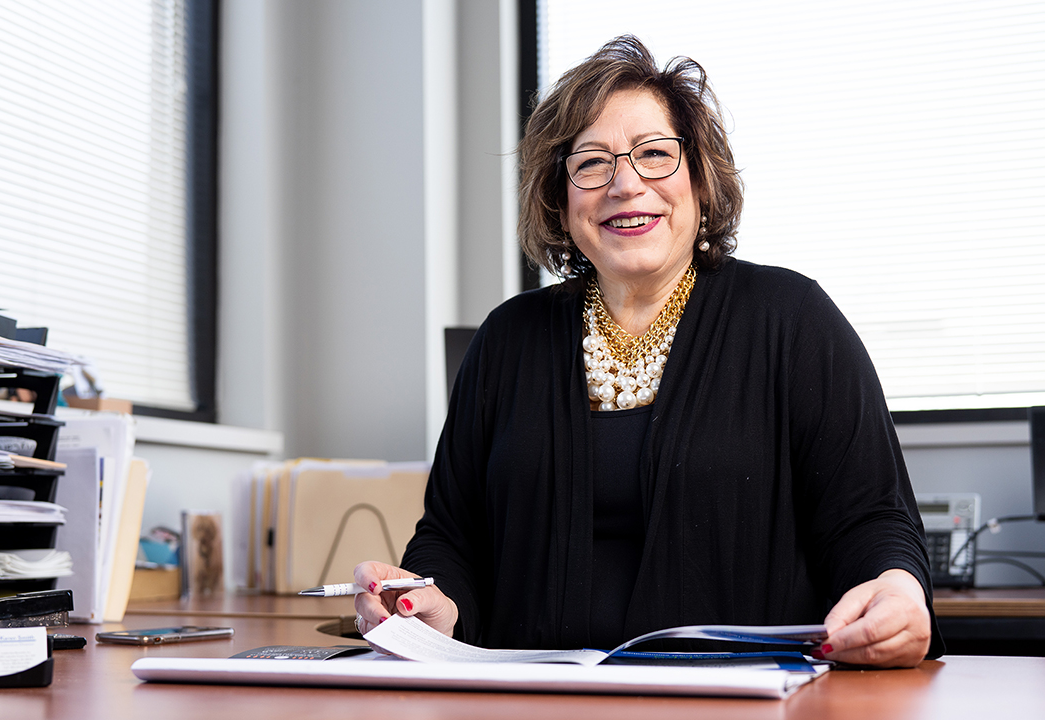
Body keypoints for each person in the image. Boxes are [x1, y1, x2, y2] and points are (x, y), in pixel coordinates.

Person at [355, 35, 941, 668]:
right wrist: (428, 607)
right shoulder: (507, 339)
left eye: (655, 155)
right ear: (560, 196)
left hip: (743, 703)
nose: (626, 184)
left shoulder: (793, 319)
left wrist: (898, 589)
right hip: (534, 704)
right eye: (592, 163)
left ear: (700, 177)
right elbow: (451, 536)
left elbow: (872, 520)